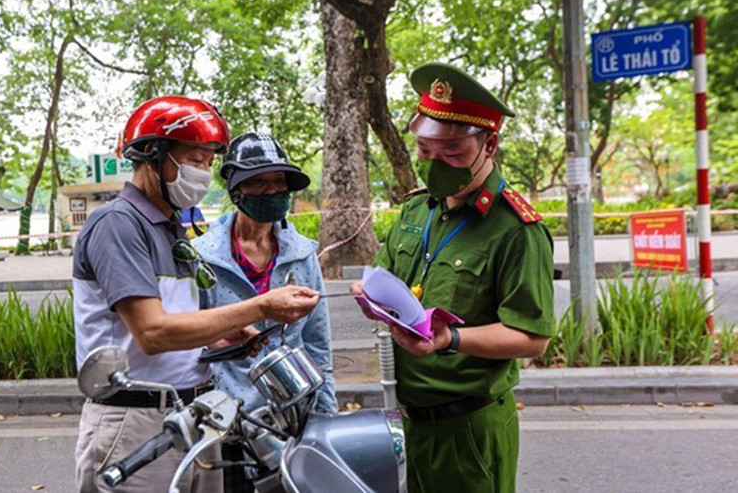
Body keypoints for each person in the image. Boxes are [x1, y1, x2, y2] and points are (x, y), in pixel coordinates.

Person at [73, 97, 320, 492]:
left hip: (194, 415)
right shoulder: (118, 224)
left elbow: (174, 326)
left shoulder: (169, 227)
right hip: (137, 422)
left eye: (208, 163)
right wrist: (259, 307)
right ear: (153, 155)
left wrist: (222, 337)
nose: (203, 173)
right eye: (194, 160)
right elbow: (153, 334)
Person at [351, 63, 554, 492]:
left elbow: (532, 337)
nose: (435, 164)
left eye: (452, 153)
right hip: (410, 422)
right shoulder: (416, 210)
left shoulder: (516, 230)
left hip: (470, 430)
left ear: (489, 145)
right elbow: (386, 276)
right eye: (425, 151)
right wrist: (371, 298)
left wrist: (451, 339)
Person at [193, 132, 338, 492]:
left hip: (294, 419)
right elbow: (191, 335)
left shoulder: (302, 255)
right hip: (227, 421)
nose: (272, 190)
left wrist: (327, 418)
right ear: (236, 189)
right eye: (258, 181)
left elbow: (317, 344)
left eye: (279, 181)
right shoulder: (202, 257)